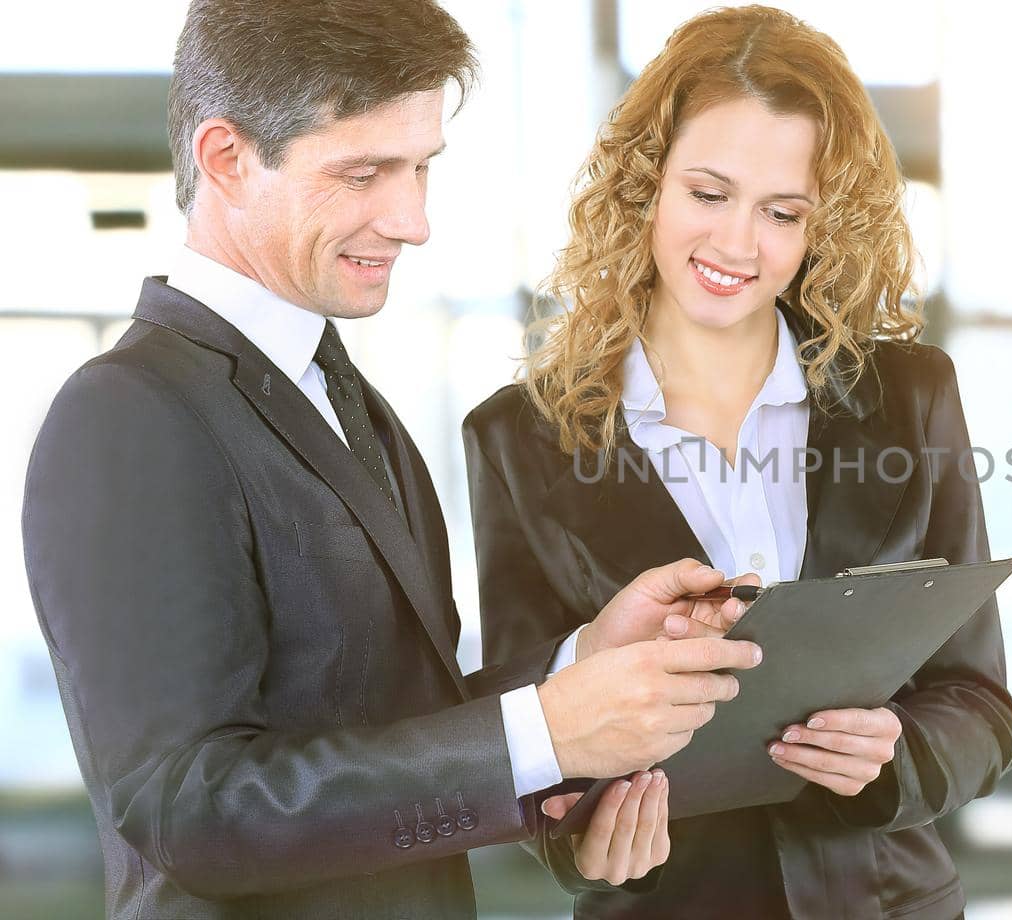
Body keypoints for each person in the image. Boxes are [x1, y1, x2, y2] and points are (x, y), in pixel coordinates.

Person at [20, 2, 761, 917]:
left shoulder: (344, 400)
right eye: (362, 172)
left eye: (420, 168)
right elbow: (188, 810)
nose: (412, 220)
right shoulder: (128, 415)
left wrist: (572, 671)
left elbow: (382, 727)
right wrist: (543, 732)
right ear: (226, 159)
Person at [462, 6, 1012, 917]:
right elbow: (523, 730)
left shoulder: (911, 397)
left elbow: (981, 706)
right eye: (708, 194)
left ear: (819, 227)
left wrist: (892, 754)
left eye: (781, 211)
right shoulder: (521, 439)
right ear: (647, 186)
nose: (735, 244)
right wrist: (582, 840)